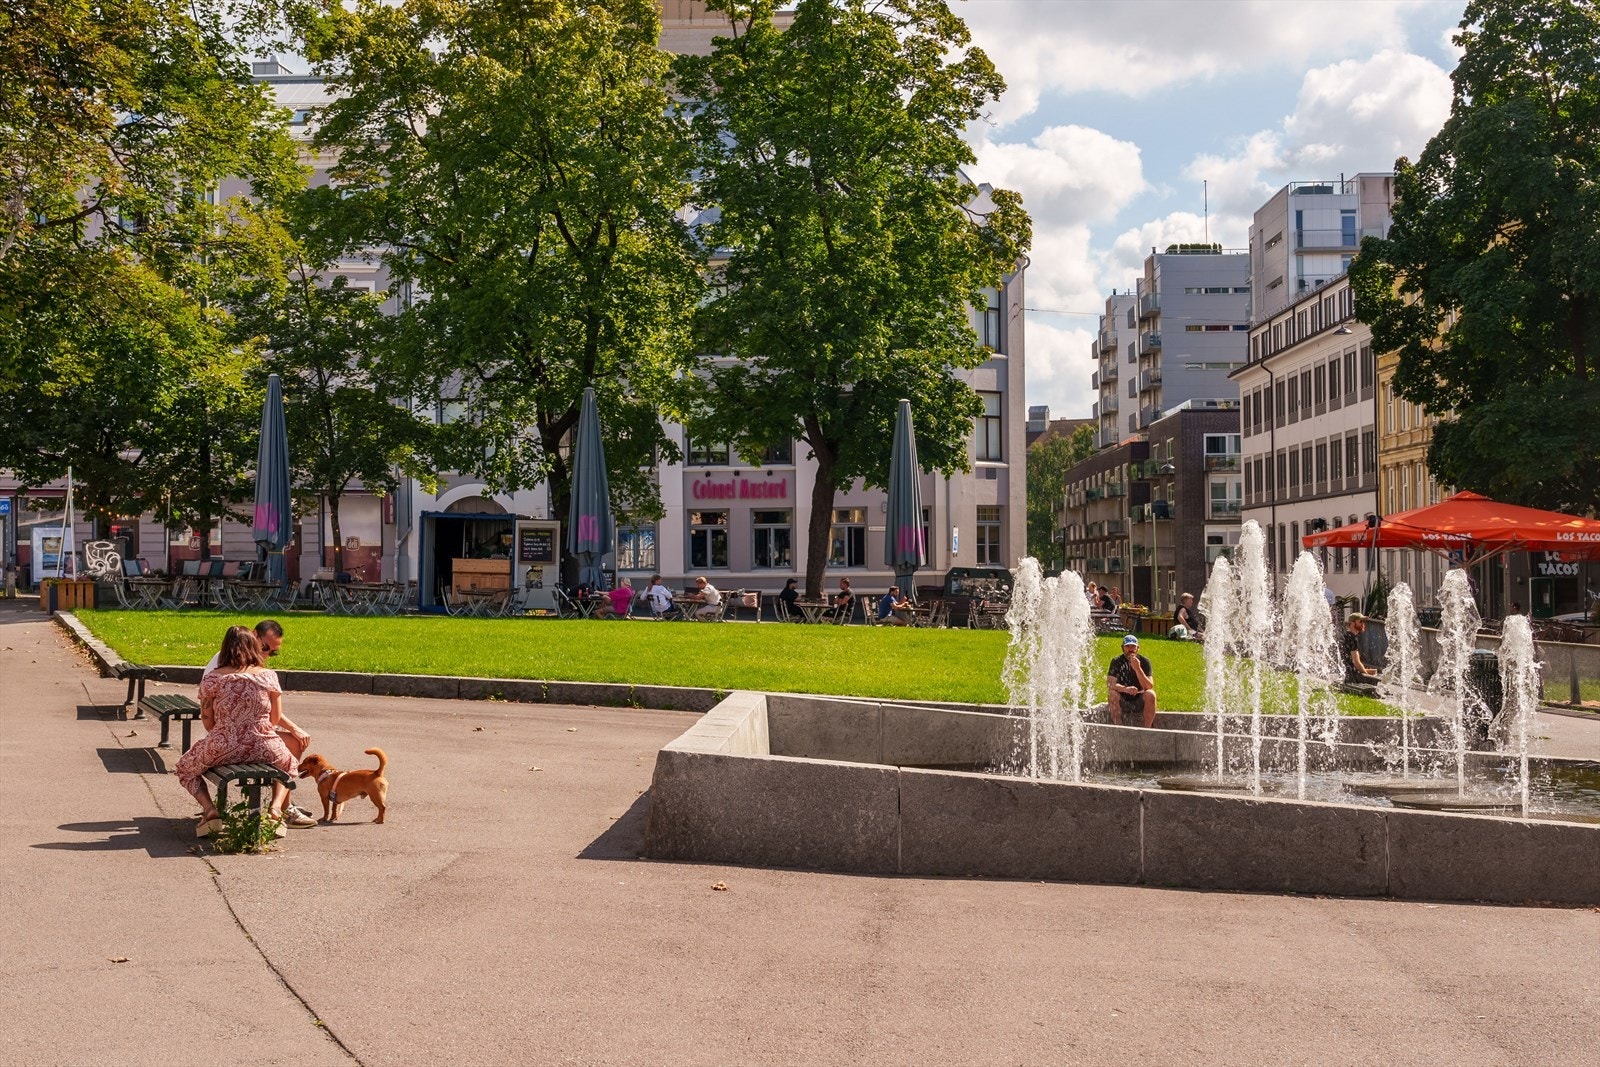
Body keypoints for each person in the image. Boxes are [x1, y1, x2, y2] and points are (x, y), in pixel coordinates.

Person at [176, 626, 317, 837]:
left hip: (223, 745)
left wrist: (229, 732)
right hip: (264, 745)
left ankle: (210, 810)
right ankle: (276, 809)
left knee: (185, 769)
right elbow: (275, 719)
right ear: (254, 646)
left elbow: (208, 722)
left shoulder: (212, 679)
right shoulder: (268, 677)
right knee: (289, 765)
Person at [1106, 634, 1157, 728]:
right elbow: (1110, 684)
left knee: (1151, 694)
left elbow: (1149, 686)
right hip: (1123, 699)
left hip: (1139, 699)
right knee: (1112, 693)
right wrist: (1125, 689)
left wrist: (1138, 669)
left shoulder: (1145, 661)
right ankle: (1119, 727)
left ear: (1138, 648)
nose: (1130, 649)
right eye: (1127, 646)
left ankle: (1147, 729)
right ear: (1122, 648)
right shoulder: (1116, 661)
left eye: (1133, 646)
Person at [1342, 612, 1379, 692]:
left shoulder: (1348, 636)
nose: (1363, 624)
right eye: (1360, 621)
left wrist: (1367, 672)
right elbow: (1356, 662)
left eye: (1363, 622)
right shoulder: (1350, 638)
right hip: (1350, 675)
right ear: (1352, 623)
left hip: (1349, 672)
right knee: (1378, 683)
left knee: (1374, 671)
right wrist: (1366, 674)